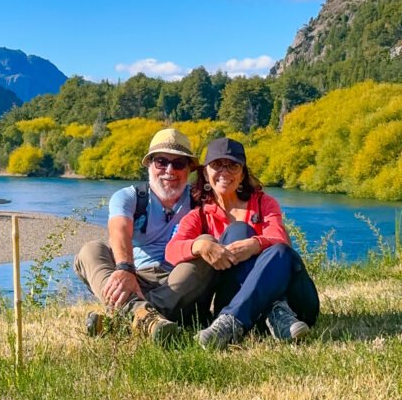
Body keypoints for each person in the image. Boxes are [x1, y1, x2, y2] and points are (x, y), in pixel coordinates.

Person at [165, 137, 320, 351]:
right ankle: (262, 313)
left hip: (295, 309)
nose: (224, 172)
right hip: (236, 300)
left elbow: (279, 237)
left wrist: (255, 245)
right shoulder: (198, 216)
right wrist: (200, 246)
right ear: (205, 173)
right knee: (238, 231)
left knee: (280, 250)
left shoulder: (263, 203)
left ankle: (241, 319)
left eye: (233, 165)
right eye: (217, 165)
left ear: (243, 174)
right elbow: (171, 251)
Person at [74, 128, 216, 342]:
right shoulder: (129, 197)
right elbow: (119, 230)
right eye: (161, 162)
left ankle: (124, 318)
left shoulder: (202, 200)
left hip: (179, 281)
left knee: (207, 248)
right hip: (135, 277)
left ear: (189, 169)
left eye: (178, 164)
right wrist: (125, 268)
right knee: (90, 250)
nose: (169, 170)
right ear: (149, 165)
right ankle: (145, 319)